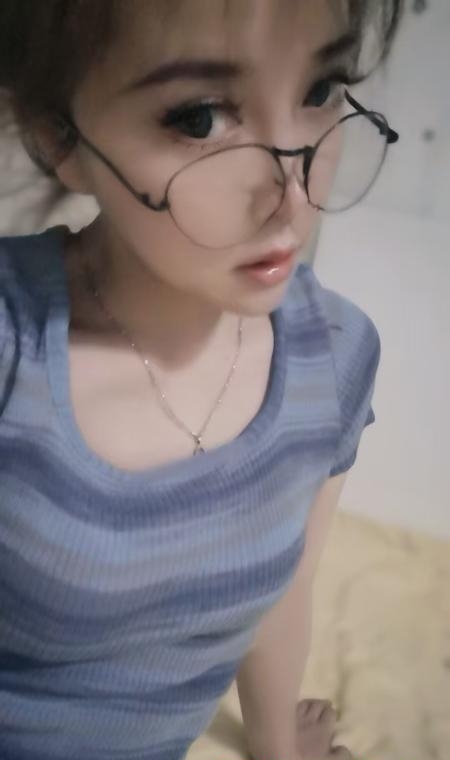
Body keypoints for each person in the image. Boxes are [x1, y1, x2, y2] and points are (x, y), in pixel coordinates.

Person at [0, 1, 404, 759]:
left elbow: (282, 595)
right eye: (199, 119)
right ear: (56, 135)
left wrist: (278, 749)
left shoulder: (336, 357)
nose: (293, 193)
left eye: (320, 90)